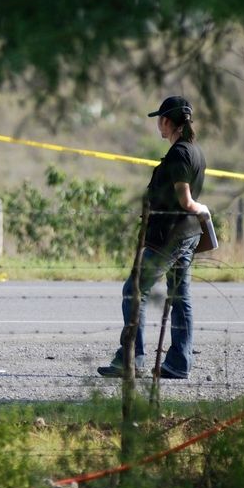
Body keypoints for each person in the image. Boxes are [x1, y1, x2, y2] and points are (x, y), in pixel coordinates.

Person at [97, 96, 208, 380]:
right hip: (187, 234)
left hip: (169, 237)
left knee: (133, 290)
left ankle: (131, 359)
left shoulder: (179, 154)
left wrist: (201, 209)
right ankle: (179, 363)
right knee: (180, 296)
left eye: (160, 119)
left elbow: (186, 200)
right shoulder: (196, 153)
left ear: (168, 122)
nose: (159, 123)